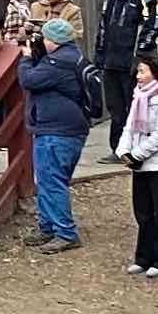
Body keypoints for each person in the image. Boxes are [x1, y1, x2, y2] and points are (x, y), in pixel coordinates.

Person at [22, 16, 94, 252]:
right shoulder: (74, 57)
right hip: (68, 128)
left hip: (56, 130)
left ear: (53, 40)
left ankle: (64, 232)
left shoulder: (57, 63)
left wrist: (25, 59)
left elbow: (29, 80)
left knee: (52, 181)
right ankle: (49, 227)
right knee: (48, 180)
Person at [118, 54, 158, 277]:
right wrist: (123, 151)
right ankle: (143, 256)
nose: (139, 76)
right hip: (139, 165)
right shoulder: (138, 99)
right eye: (138, 72)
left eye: (143, 71)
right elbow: (129, 128)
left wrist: (137, 154)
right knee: (142, 212)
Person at [92, 0, 158, 139]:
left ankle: (134, 145)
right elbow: (103, 27)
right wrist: (100, 55)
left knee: (134, 106)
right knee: (115, 107)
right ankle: (117, 147)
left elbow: (153, 27)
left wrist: (140, 57)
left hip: (132, 63)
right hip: (111, 62)